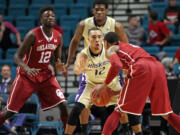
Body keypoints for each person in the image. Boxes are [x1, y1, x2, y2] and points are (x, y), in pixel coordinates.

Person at [64, 0, 140, 134]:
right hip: (90, 69)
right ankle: (84, 130)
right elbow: (75, 42)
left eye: (102, 9)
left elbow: (126, 47)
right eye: (96, 9)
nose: (99, 12)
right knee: (83, 105)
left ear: (107, 11)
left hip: (110, 69)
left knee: (121, 105)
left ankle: (127, 129)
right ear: (93, 11)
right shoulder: (84, 24)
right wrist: (68, 62)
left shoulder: (116, 25)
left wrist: (127, 69)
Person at [92, 32, 180, 135]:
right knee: (167, 114)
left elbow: (116, 65)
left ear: (106, 43)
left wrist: (104, 84)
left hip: (142, 66)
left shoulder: (112, 48)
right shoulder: (129, 48)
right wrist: (113, 93)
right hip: (157, 67)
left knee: (119, 110)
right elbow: (132, 88)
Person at [0, 6, 68, 129]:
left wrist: (58, 64)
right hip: (27, 76)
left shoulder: (58, 36)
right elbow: (17, 56)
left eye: (52, 16)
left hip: (45, 76)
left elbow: (57, 59)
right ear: (41, 19)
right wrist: (27, 69)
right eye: (47, 16)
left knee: (63, 104)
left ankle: (69, 132)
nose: (50, 18)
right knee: (10, 111)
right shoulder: (32, 34)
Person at [65, 28, 122, 135]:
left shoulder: (109, 51)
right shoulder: (84, 54)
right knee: (77, 108)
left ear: (102, 39)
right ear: (88, 39)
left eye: (99, 37)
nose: (97, 40)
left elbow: (120, 65)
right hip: (91, 84)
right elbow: (76, 70)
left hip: (109, 83)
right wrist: (81, 68)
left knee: (118, 110)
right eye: (94, 37)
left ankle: (127, 130)